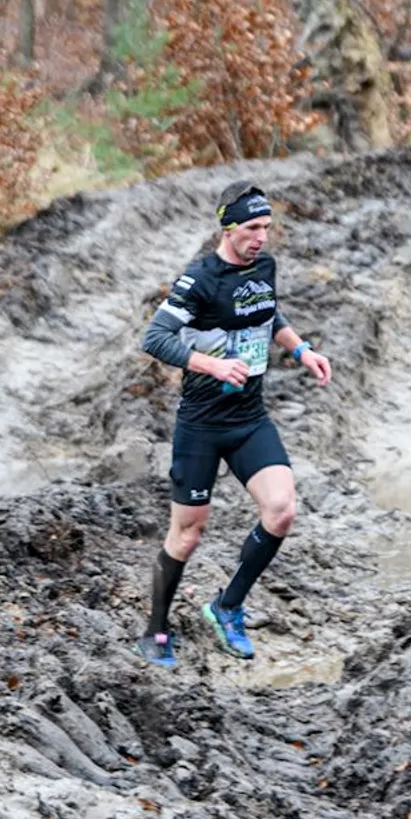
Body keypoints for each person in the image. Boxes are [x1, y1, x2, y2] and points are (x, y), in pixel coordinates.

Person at [135, 181, 334, 666]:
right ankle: (155, 631)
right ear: (228, 228)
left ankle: (227, 607)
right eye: (251, 228)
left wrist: (302, 349)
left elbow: (267, 311)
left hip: (249, 418)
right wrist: (211, 364)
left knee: (282, 510)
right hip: (202, 423)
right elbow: (154, 337)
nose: (261, 237)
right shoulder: (198, 279)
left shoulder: (264, 266)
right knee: (187, 534)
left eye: (266, 227)